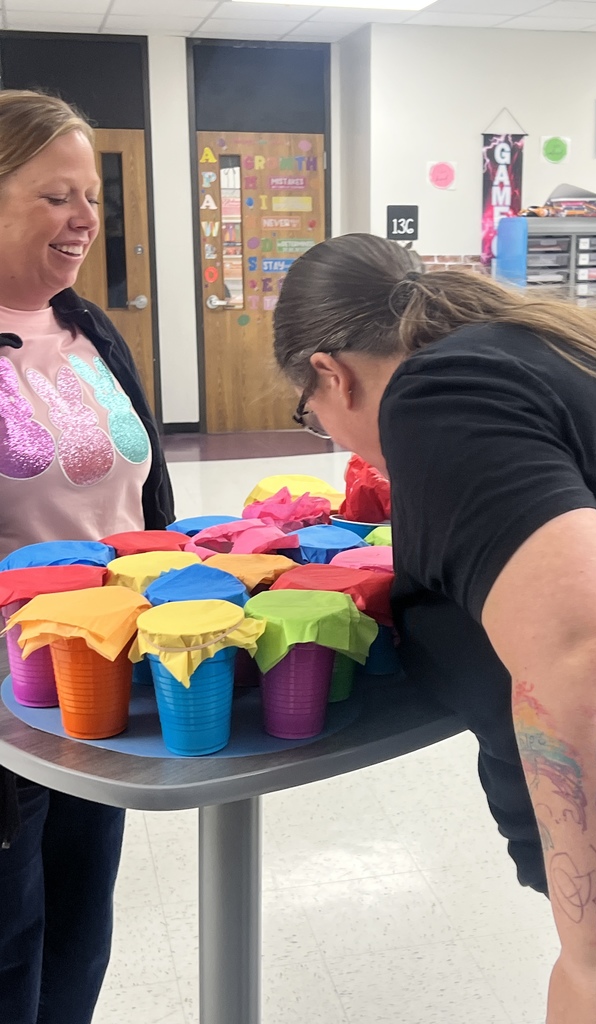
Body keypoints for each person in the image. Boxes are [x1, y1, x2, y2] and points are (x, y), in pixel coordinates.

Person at [272, 232, 596, 1024]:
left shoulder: (436, 395)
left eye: (313, 416)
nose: (330, 435)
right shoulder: (549, 350)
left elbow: (595, 652)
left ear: (331, 374)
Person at [0, 90, 173, 1024]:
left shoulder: (87, 327)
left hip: (103, 673)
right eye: (55, 196)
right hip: (9, 691)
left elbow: (139, 496)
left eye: (91, 198)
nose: (84, 219)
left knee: (79, 913)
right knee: (8, 931)